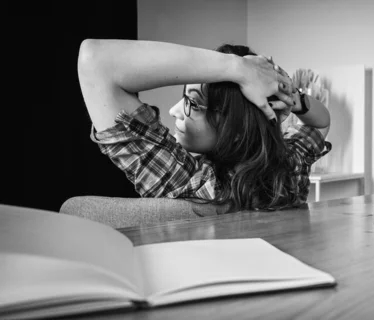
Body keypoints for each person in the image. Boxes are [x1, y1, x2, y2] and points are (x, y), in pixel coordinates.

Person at [77, 39, 331, 212]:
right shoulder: (288, 169)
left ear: (237, 128)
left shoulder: (185, 182)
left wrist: (236, 67)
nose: (174, 110)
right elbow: (322, 121)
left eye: (193, 104)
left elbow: (95, 59)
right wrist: (290, 97)